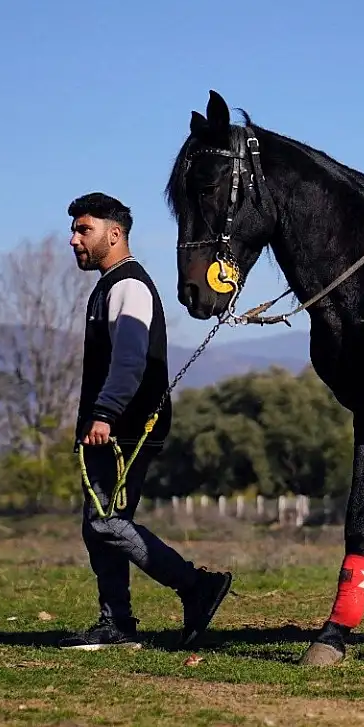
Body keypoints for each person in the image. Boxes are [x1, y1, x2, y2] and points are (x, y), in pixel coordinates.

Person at [61, 192, 231, 650]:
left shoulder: (128, 287)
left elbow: (131, 360)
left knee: (105, 522)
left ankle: (195, 586)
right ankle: (116, 622)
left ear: (113, 234)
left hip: (125, 427)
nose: (73, 239)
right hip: (112, 426)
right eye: (75, 230)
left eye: (84, 230)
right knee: (99, 523)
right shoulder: (109, 285)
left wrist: (104, 414)